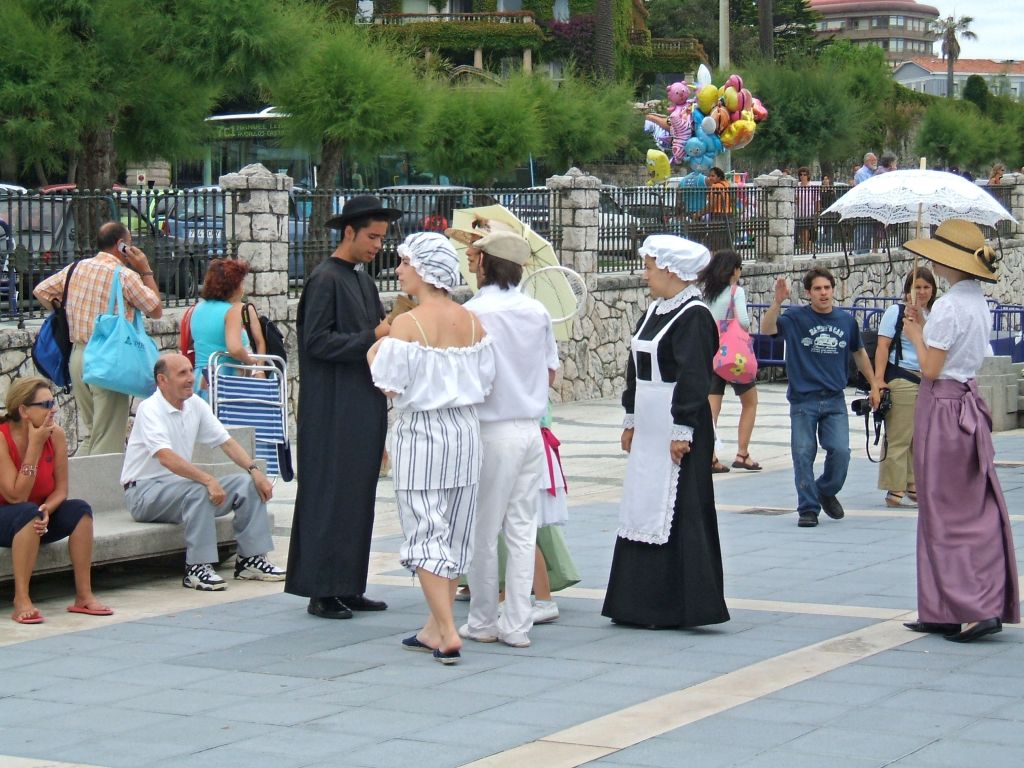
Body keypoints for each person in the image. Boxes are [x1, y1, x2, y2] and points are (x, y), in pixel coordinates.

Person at [367, 232, 495, 664]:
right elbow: (487, 381)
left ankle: (446, 630)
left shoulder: (408, 323)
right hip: (464, 431)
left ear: (422, 269)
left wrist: (376, 348)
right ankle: (431, 628)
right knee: (456, 528)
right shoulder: (474, 321)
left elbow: (388, 384)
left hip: (422, 433)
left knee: (425, 529)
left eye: (403, 262)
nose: (399, 270)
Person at [900, 220, 1019, 643]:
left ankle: (970, 605)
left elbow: (931, 369)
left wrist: (915, 331)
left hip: (944, 405)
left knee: (946, 508)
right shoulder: (976, 302)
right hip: (966, 400)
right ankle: (943, 607)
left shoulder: (950, 306)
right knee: (960, 502)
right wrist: (925, 324)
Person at [602, 234, 729, 629]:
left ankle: (680, 604)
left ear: (673, 270)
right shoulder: (657, 309)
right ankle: (637, 601)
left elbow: (695, 376)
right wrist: (630, 417)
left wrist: (683, 429)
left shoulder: (694, 316)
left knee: (680, 509)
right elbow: (633, 367)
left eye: (651, 267)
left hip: (677, 423)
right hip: (650, 421)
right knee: (643, 503)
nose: (646, 274)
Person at [285, 195, 401, 619]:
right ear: (348, 232)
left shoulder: (363, 281)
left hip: (361, 406)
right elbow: (316, 343)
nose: (377, 246)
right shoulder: (324, 280)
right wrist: (373, 335)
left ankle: (349, 584)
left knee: (357, 497)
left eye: (381, 238)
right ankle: (321, 589)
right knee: (329, 495)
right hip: (331, 409)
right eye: (372, 237)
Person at [457, 230, 558, 649]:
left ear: (484, 264)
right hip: (530, 428)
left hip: (490, 428)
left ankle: (483, 618)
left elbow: (465, 376)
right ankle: (517, 623)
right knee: (522, 528)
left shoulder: (474, 312)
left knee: (484, 529)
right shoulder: (536, 311)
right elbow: (551, 372)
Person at [121, 354, 284, 591]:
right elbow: (165, 457)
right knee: (199, 490)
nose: (190, 378)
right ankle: (197, 568)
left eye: (190, 371)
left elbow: (225, 441)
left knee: (247, 485)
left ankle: (251, 560)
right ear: (162, 380)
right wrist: (207, 479)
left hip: (180, 489)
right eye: (182, 374)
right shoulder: (150, 409)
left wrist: (254, 470)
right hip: (144, 493)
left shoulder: (195, 404)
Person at [760, 268, 880, 528]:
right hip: (804, 399)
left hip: (834, 399)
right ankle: (808, 508)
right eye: (818, 289)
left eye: (827, 288)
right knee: (803, 453)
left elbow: (859, 353)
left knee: (841, 452)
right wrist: (778, 302)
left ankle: (825, 489)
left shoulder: (845, 321)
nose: (823, 293)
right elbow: (767, 328)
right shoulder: (795, 318)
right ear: (808, 293)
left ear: (833, 290)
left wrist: (874, 385)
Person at [34, 221, 163, 455]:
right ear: (121, 245)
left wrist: (64, 311)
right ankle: (100, 491)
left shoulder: (75, 268)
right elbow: (155, 309)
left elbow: (41, 291)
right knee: (108, 438)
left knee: (93, 431)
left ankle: (76, 484)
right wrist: (145, 269)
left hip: (79, 355)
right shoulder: (125, 276)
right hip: (108, 359)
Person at [0, 378, 111, 623]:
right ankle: (21, 599)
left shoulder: (56, 435)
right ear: (24, 411)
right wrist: (34, 448)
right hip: (5, 517)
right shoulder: (1, 437)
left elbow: (61, 490)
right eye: (47, 403)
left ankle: (83, 595)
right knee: (28, 512)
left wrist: (46, 510)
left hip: (37, 516)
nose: (55, 409)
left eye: (55, 401)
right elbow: (15, 495)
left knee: (80, 510)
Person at [873, 269, 937, 508]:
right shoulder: (896, 312)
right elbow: (883, 345)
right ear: (907, 289)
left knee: (919, 437)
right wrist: (878, 380)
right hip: (903, 377)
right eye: (916, 287)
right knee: (899, 436)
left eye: (926, 287)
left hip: (928, 379)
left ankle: (912, 483)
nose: (921, 292)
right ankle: (895, 487)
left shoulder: (934, 315)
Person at [699, 249, 760, 474]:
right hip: (734, 357)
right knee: (750, 402)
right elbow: (743, 321)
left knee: (712, 410)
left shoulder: (705, 294)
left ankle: (711, 457)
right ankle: (742, 454)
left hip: (711, 355)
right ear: (733, 270)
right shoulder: (736, 291)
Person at [190, 258, 266, 398]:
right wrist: (250, 361)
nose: (243, 288)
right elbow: (235, 348)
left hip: (200, 379)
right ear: (233, 286)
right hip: (225, 380)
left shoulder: (197, 309)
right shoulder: (231, 312)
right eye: (241, 283)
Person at [693, 167, 732, 253]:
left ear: (719, 177)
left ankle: (712, 262)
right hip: (728, 215)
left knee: (713, 243)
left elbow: (711, 205)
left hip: (717, 215)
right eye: (709, 176)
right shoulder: (726, 184)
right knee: (723, 242)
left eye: (713, 176)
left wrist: (698, 214)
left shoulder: (715, 186)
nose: (710, 178)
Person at [852, 153, 878, 253]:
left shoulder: (872, 173)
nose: (875, 163)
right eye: (873, 161)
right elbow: (867, 188)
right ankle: (858, 251)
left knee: (868, 231)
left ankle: (865, 251)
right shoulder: (861, 173)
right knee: (861, 229)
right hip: (862, 206)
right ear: (867, 161)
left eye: (875, 161)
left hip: (870, 207)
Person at [794, 167, 818, 254]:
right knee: (801, 230)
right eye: (801, 174)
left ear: (808, 175)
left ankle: (806, 247)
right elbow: (794, 198)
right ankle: (805, 245)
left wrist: (817, 212)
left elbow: (816, 200)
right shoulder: (797, 187)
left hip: (809, 211)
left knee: (806, 229)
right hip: (799, 211)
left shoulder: (812, 186)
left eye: (804, 174)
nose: (802, 176)